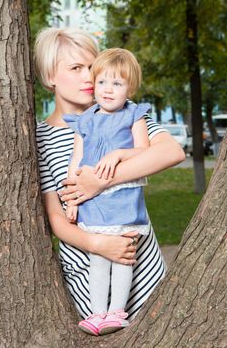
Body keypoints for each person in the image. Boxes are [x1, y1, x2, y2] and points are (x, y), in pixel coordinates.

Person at [35, 27, 185, 335]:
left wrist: (100, 181)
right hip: (87, 270)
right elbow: (55, 217)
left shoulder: (124, 112)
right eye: (75, 68)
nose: (88, 77)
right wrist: (99, 244)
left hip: (141, 265)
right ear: (50, 76)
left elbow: (171, 151)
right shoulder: (41, 138)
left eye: (92, 67)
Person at [63, 48, 154, 335]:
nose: (108, 89)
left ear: (130, 87)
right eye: (102, 82)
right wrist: (72, 199)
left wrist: (118, 154)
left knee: (123, 254)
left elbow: (144, 151)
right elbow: (75, 162)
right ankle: (96, 312)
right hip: (92, 199)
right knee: (99, 257)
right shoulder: (85, 119)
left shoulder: (134, 115)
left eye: (117, 83)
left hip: (123, 198)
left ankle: (117, 311)